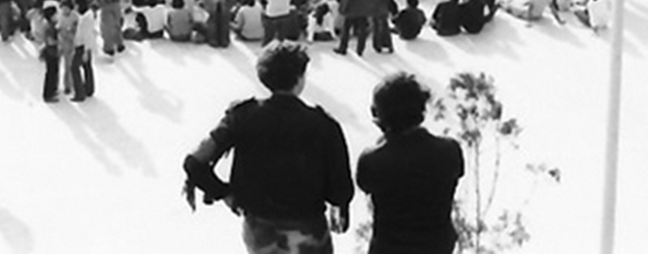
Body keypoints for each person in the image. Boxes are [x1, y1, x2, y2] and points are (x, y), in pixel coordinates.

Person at [183, 42, 354, 254]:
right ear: (300, 78)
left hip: (260, 232)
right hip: (308, 233)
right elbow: (340, 192)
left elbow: (194, 162)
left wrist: (225, 194)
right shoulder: (324, 125)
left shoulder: (241, 116)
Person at [356, 73, 465, 254]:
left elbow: (365, 184)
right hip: (437, 247)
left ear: (379, 114)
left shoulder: (373, 160)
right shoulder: (449, 150)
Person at [71, 0, 97, 101]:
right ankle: (89, 89)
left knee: (74, 67)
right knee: (87, 67)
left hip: (82, 46)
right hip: (86, 45)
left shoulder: (86, 19)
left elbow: (87, 35)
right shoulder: (87, 16)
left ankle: (79, 93)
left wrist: (86, 51)